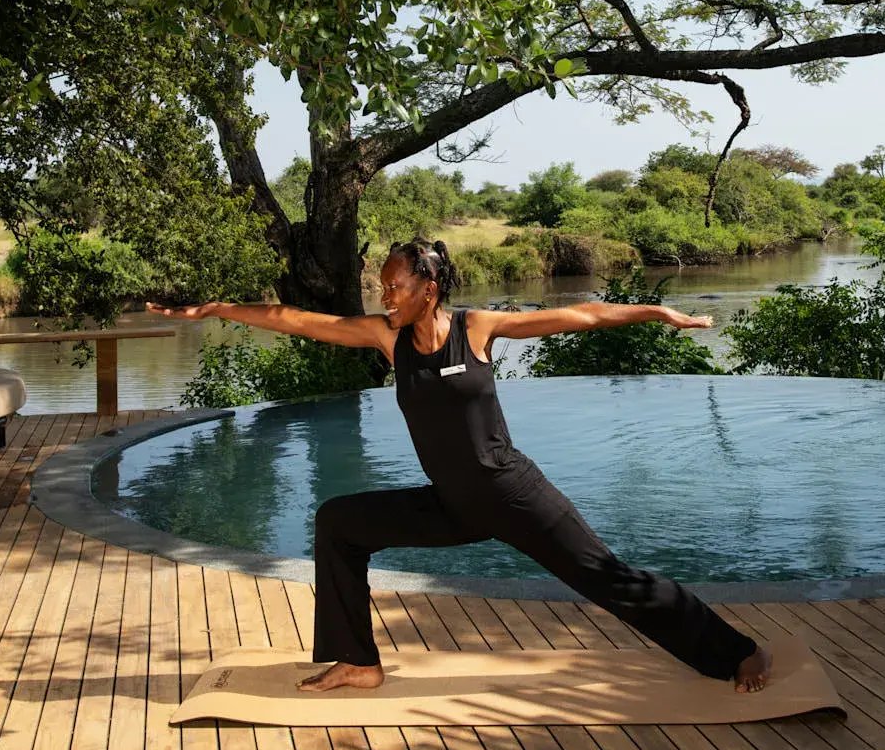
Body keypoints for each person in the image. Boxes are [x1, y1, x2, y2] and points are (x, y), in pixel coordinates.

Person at [147, 238, 774, 694]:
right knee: (339, 521)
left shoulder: (476, 328)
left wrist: (655, 311)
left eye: (396, 285)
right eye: (382, 286)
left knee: (608, 578)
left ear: (430, 288)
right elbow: (299, 321)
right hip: (451, 502)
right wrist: (217, 310)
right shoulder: (386, 338)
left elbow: (578, 315)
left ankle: (734, 652)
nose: (385, 295)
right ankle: (358, 662)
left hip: (513, 493)